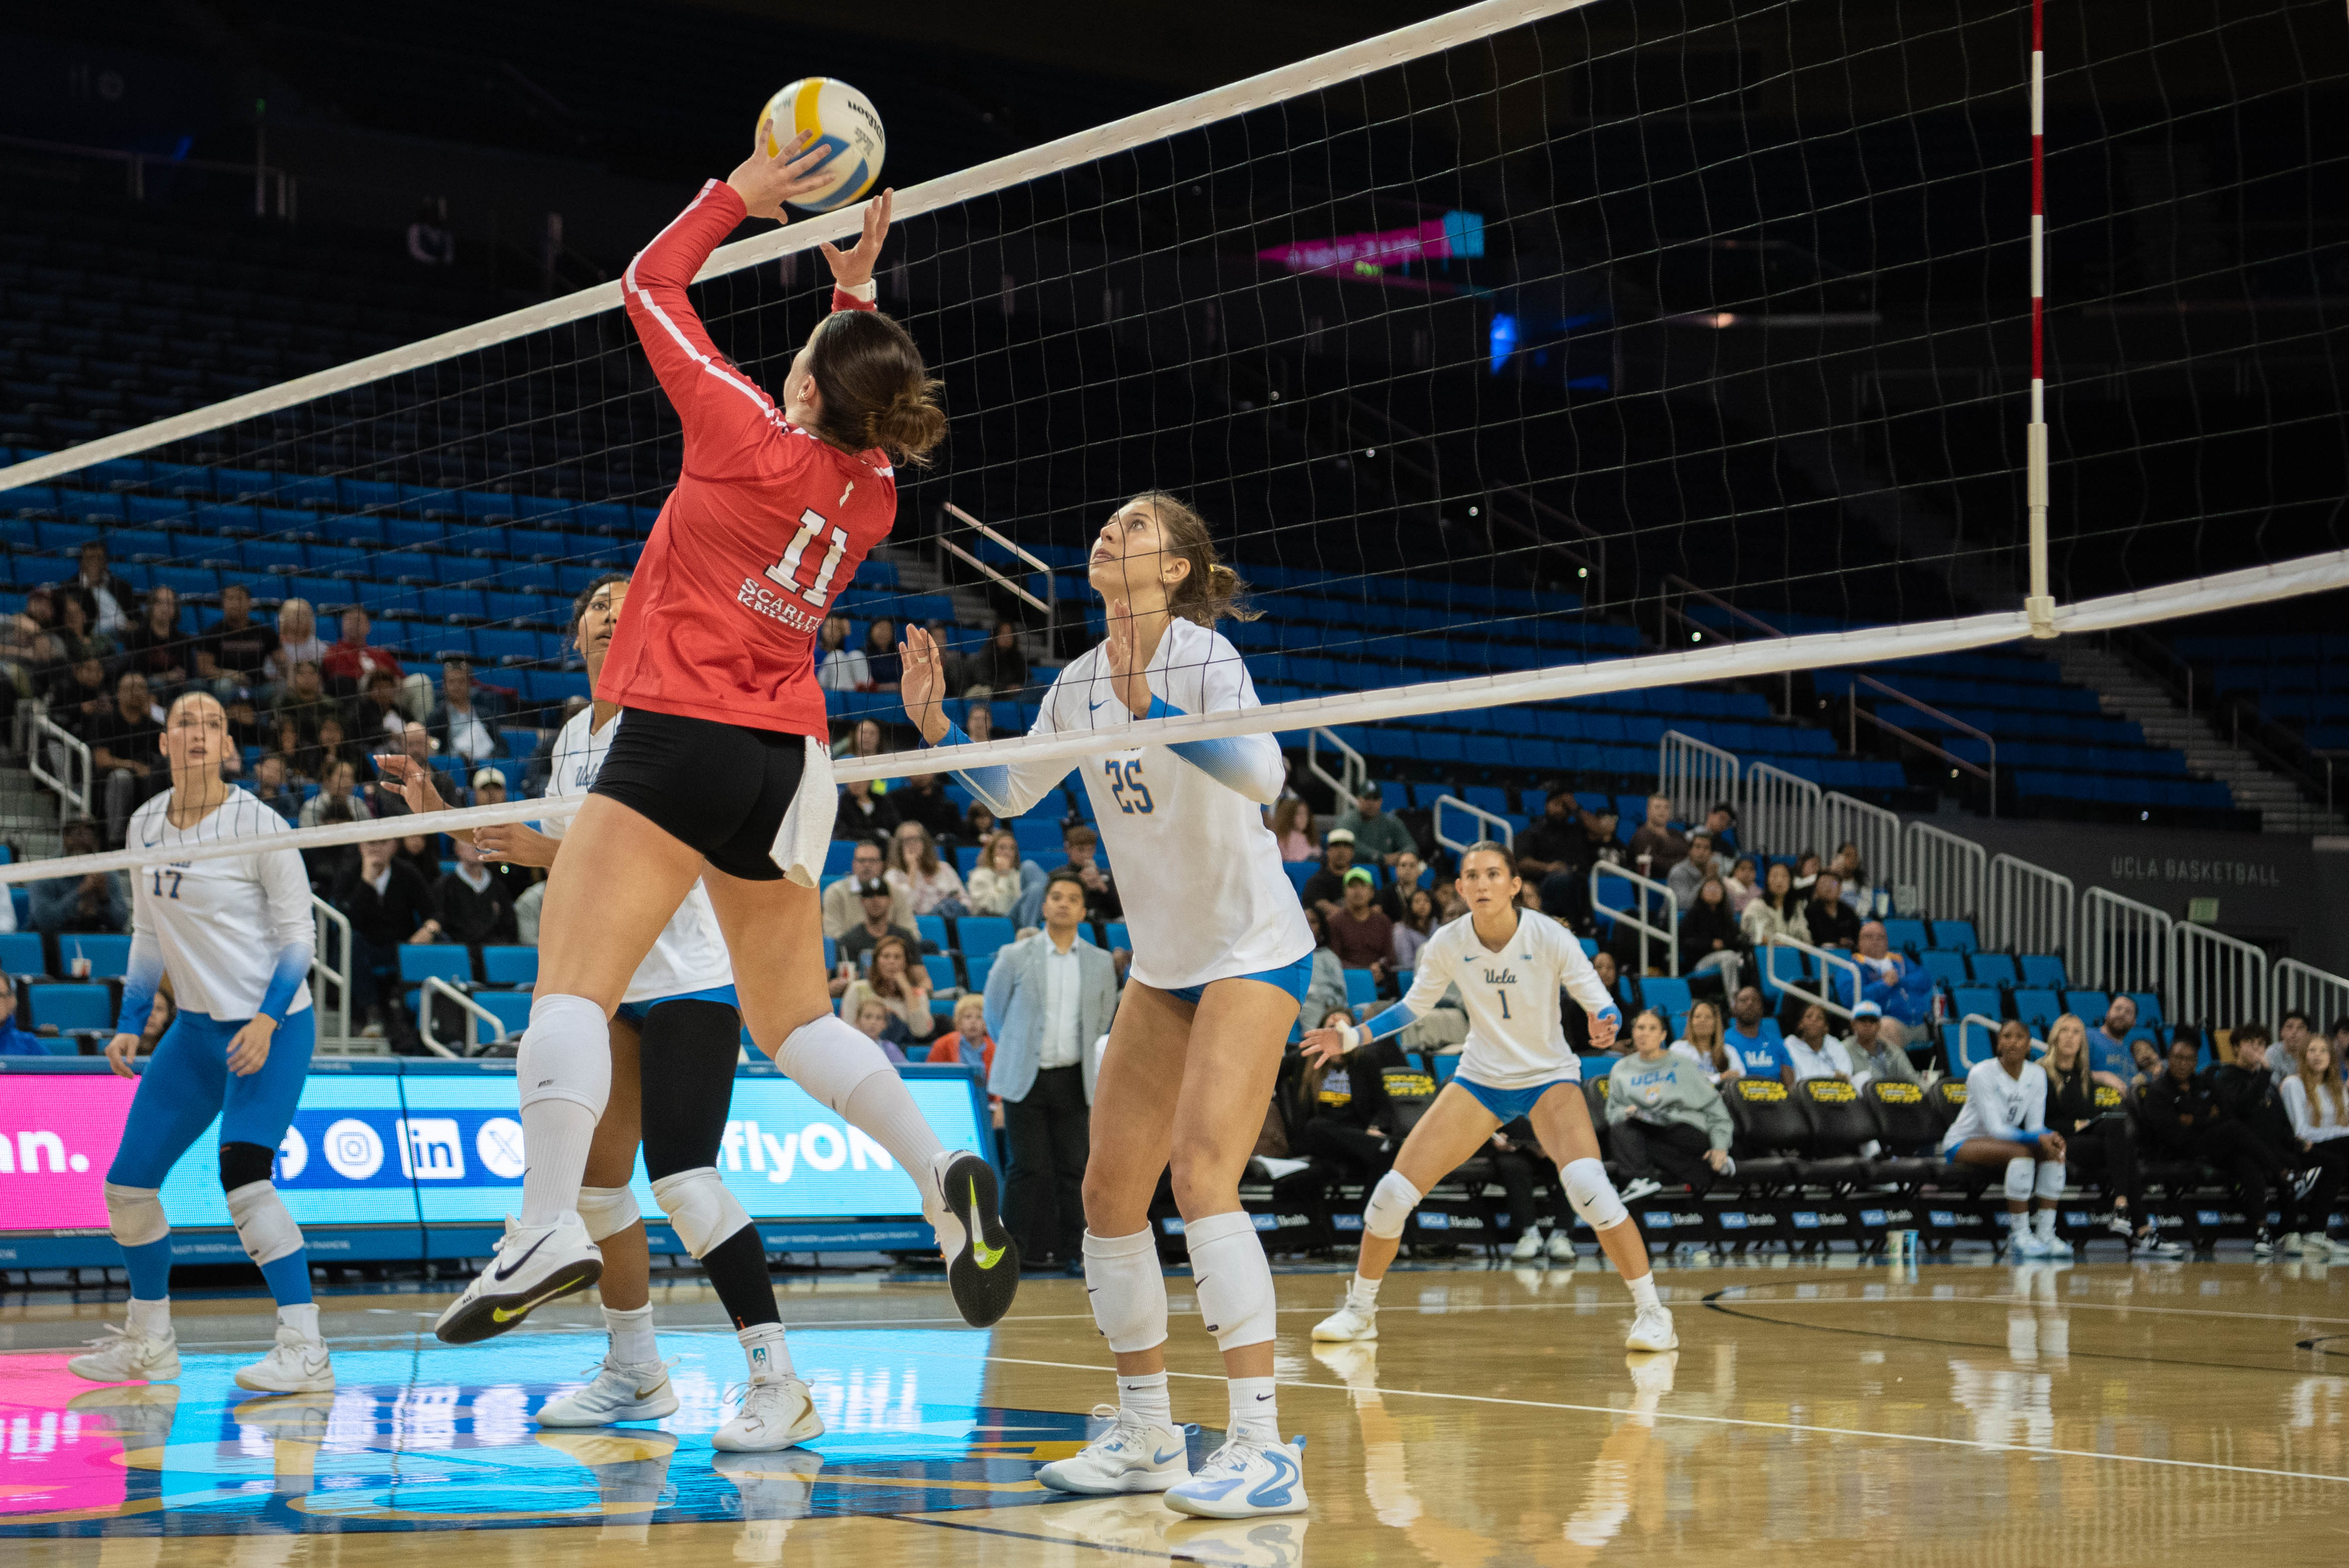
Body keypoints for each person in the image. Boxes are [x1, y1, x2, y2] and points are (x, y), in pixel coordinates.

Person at [420, 142, 1004, 1365]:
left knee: (570, 988)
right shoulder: (874, 493)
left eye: (797, 359)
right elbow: (860, 402)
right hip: (790, 762)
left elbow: (646, 282)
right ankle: (940, 1167)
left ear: (797, 391)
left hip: (683, 734)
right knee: (792, 1017)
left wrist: (743, 191)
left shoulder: (745, 433)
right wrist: (851, 295)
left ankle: (540, 1228)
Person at [904, 488, 1315, 1517]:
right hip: (1166, 964)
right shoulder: (1081, 681)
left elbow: (1264, 776)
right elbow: (1011, 791)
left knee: (1203, 1176)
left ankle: (1264, 1448)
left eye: (1137, 527)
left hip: (1253, 949)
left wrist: (1155, 709)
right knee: (1105, 1195)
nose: (1109, 533)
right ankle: (1145, 1431)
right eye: (1109, 522)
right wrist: (938, 727)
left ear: (1175, 568)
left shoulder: (1204, 657)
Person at [392, 570, 821, 1452]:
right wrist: (440, 814)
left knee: (684, 1177)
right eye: (595, 604)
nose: (609, 613)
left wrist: (545, 851)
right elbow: (556, 852)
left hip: (692, 976)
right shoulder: (572, 738)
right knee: (594, 1188)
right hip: (612, 983)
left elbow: (637, 855)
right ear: (576, 634)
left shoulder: (672, 716)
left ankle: (779, 1378)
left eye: (628, 604)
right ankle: (635, 1368)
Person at [1306, 842, 1668, 1354]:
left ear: (1514, 884)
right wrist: (1351, 1037)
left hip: (1547, 1078)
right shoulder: (1448, 940)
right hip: (1479, 1078)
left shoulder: (1548, 935)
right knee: (1391, 1195)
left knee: (1589, 1186)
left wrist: (1603, 1020)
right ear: (1458, 887)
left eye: (1492, 874)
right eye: (1470, 875)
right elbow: (1412, 1007)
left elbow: (1599, 1000)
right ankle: (1360, 1311)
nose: (1480, 883)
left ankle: (1653, 1314)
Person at [65, 692, 329, 1393]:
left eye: (214, 723)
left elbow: (301, 940)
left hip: (272, 1029)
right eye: (185, 721)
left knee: (245, 1177)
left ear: (228, 745)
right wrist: (130, 1019)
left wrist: (269, 1019)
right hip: (194, 1033)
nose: (200, 733)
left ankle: (305, 1348)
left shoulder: (260, 826)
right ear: (164, 743)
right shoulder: (145, 822)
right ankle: (150, 1342)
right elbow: (148, 934)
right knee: (126, 1187)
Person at [982, 870, 1117, 1269]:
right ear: (1044, 906)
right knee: (1026, 1168)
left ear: (1083, 910)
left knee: (1075, 1168)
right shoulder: (1015, 956)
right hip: (1027, 1076)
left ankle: (1078, 1252)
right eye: (1056, 896)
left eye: (1072, 898)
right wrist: (1017, 1049)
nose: (1062, 903)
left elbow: (1102, 1019)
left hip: (1075, 1077)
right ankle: (1016, 1252)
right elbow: (994, 1014)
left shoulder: (1100, 961)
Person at [2141, 1030, 2299, 1258]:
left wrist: (2192, 1119)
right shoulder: (2158, 1091)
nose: (2183, 1064)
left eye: (2189, 1059)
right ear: (2169, 1058)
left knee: (2245, 1160)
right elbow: (2173, 1135)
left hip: (2212, 1147)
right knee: (2235, 1131)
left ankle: (2262, 1231)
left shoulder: (2204, 1082)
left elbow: (2225, 1113)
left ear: (2196, 1061)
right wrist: (2206, 1116)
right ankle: (2286, 1174)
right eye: (2178, 1058)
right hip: (2179, 1152)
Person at [2041, 1012, 2179, 1256]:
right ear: (2054, 1036)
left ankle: (2124, 1208)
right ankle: (2140, 1228)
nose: (2071, 1037)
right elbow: (2039, 1121)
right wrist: (2075, 1125)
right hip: (2056, 1142)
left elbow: (2092, 1117)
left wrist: (2087, 1123)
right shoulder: (2040, 1072)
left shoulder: (2084, 1077)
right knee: (2123, 1150)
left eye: (2077, 1032)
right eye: (2065, 1030)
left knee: (2117, 1124)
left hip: (2085, 1143)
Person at [1941, 1017, 2071, 1259]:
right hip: (1963, 1143)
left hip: (2003, 1144)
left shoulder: (2037, 1074)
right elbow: (1996, 1130)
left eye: (2019, 1037)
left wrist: (2050, 1137)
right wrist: (2037, 1138)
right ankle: (2019, 1236)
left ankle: (2046, 1234)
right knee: (2022, 1154)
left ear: (2029, 1045)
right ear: (1998, 1044)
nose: (2012, 1042)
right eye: (2006, 1037)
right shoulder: (1981, 1073)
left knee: (2054, 1153)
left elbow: (2034, 1126)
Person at [1606, 1008, 1735, 1201]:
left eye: (1652, 1028)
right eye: (1640, 1028)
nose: (1645, 1033)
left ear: (1663, 1035)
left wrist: (1720, 1146)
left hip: (1685, 1129)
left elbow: (1715, 1108)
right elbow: (1612, 1112)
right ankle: (1645, 1181)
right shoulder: (1621, 1069)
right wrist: (1627, 1111)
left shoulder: (1682, 1065)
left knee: (1639, 1143)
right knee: (1623, 1132)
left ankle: (1645, 1179)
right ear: (1633, 1034)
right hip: (1645, 1129)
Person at [331, 835, 435, 1037]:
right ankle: (371, 1012)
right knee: (350, 941)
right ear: (361, 846)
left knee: (435, 944)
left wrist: (429, 929)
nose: (376, 848)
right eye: (371, 842)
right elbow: (346, 921)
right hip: (364, 948)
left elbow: (433, 912)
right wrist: (367, 882)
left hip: (400, 944)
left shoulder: (407, 872)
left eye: (382, 843)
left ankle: (425, 1020)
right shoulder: (349, 874)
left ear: (394, 846)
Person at [2281, 1035, 2346, 1257]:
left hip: (2332, 1152)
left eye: (2324, 1051)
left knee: (2338, 1163)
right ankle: (2315, 1231)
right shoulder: (2294, 1084)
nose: (2318, 1056)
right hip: (2300, 1151)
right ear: (2304, 1056)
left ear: (2332, 1057)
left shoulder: (2337, 1089)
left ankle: (2315, 1232)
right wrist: (2344, 1134)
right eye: (2312, 1050)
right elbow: (2301, 1132)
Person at [88, 671, 167, 847]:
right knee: (122, 777)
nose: (137, 693)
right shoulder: (106, 721)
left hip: (146, 781)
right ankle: (115, 842)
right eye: (131, 688)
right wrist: (132, 766)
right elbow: (102, 760)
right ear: (119, 694)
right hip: (110, 783)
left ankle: (156, 840)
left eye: (141, 688)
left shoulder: (154, 727)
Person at [29, 818, 130, 935]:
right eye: (75, 835)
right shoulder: (46, 871)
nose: (80, 841)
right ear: (65, 838)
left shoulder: (106, 872)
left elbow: (121, 922)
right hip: (53, 943)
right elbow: (45, 921)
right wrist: (80, 893)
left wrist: (104, 898)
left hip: (95, 941)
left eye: (86, 835)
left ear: (96, 841)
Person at [837, 931, 935, 1044]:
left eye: (897, 957)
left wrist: (907, 990)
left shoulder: (918, 994)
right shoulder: (857, 988)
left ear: (905, 963)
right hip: (863, 1047)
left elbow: (921, 1032)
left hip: (899, 1053)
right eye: (886, 956)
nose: (892, 961)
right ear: (876, 961)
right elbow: (848, 1028)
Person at [1852, 921, 1932, 1046]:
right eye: (1869, 937)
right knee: (1885, 1026)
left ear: (1887, 941)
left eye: (1880, 937)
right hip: (1889, 1022)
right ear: (1859, 942)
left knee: (1949, 1028)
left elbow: (1925, 980)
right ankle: (1896, 1066)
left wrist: (1899, 980)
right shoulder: (1853, 968)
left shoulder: (1900, 961)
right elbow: (1852, 998)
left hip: (1919, 1022)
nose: (1875, 941)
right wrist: (1884, 985)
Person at [196, 582, 279, 698]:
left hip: (259, 687)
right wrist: (231, 675)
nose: (234, 604)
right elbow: (204, 669)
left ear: (249, 603)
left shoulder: (265, 632)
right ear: (223, 604)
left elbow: (281, 660)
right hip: (228, 684)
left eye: (239, 599)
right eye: (230, 599)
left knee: (282, 687)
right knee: (223, 685)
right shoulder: (211, 633)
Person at [834, 878, 928, 978]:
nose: (876, 901)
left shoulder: (905, 937)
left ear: (891, 900)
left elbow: (922, 980)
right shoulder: (849, 941)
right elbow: (847, 980)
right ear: (862, 901)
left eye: (881, 895)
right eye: (869, 896)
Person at [431, 838, 517, 946]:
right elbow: (439, 920)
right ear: (457, 849)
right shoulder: (445, 886)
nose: (475, 846)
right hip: (459, 952)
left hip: (493, 953)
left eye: (479, 841)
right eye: (469, 841)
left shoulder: (499, 887)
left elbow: (510, 928)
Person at [822, 839, 914, 938]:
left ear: (881, 865)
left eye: (872, 861)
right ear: (854, 865)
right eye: (861, 861)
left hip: (890, 950)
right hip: (851, 950)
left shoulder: (896, 893)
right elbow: (832, 934)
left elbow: (911, 933)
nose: (867, 865)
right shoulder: (835, 892)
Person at [427, 658, 506, 766]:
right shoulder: (437, 716)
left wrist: (490, 759)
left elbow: (501, 748)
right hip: (451, 768)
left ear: (470, 684)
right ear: (444, 686)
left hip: (484, 766)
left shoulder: (484, 715)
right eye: (452, 682)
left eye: (461, 681)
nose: (457, 686)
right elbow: (432, 748)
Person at [119, 585, 192, 698]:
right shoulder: (137, 638)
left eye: (169, 603)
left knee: (197, 686)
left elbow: (188, 673)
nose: (165, 608)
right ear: (151, 606)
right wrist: (166, 676)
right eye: (160, 603)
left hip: (179, 689)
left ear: (175, 609)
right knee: (156, 686)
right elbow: (137, 675)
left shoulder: (184, 640)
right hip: (148, 690)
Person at [886, 820, 967, 917]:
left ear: (925, 842)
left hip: (949, 921)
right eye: (907, 840)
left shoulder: (944, 868)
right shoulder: (893, 875)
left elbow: (965, 900)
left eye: (916, 839)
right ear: (899, 846)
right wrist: (913, 869)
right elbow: (903, 908)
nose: (912, 844)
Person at [1677, 875, 1740, 992]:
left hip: (1724, 957)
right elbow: (1685, 942)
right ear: (1701, 893)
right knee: (1730, 957)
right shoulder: (1693, 914)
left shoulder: (1726, 917)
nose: (1713, 892)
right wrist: (1710, 944)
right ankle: (1734, 1002)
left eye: (1717, 889)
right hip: (1700, 961)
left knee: (1745, 959)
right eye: (1709, 888)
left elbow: (1733, 940)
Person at [321, 608, 405, 694]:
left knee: (416, 680)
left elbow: (401, 678)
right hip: (358, 697)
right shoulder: (334, 653)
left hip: (391, 693)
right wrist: (376, 675)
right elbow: (341, 680)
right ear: (342, 625)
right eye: (350, 620)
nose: (355, 624)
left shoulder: (381, 653)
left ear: (369, 627)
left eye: (359, 621)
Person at [1330, 782, 1414, 868]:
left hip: (1386, 871)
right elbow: (1349, 845)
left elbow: (1411, 846)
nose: (1371, 803)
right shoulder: (1348, 819)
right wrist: (1381, 857)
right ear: (1359, 799)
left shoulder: (1391, 821)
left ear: (1381, 801)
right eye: (1367, 798)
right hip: (1353, 869)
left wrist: (1400, 856)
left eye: (1375, 799)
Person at [1841, 1000, 1920, 1088]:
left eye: (1873, 1021)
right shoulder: (1843, 1049)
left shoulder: (1893, 1051)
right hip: (1855, 1098)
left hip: (1888, 1098)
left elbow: (1913, 1079)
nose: (1868, 1025)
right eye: (1863, 1020)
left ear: (1879, 1025)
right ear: (1853, 1024)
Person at [1327, 867, 1394, 970]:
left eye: (1363, 886)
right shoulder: (1334, 922)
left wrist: (1380, 966)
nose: (1357, 891)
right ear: (1345, 892)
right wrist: (1363, 973)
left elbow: (1390, 957)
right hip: (1347, 978)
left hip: (1380, 979)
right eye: (1352, 886)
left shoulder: (1384, 921)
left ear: (1372, 893)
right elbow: (1334, 959)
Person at [1722, 985, 1792, 1083]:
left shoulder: (1777, 1043)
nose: (1750, 1004)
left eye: (1755, 1000)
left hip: (1777, 1096)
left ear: (1762, 1009)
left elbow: (1790, 1086)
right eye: (1744, 1000)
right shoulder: (1724, 1041)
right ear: (1734, 1008)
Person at [73, 540, 138, 638]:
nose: (95, 563)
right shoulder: (71, 588)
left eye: (99, 558)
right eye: (90, 558)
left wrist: (135, 625)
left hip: (127, 637)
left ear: (106, 562)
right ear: (81, 562)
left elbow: (137, 616)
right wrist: (89, 586)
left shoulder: (122, 586)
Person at [1738, 861, 1807, 953]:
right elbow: (1756, 937)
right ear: (1767, 881)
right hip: (1765, 955)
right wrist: (1782, 945)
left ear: (1791, 881)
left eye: (1784, 876)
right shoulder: (1757, 906)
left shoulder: (1796, 908)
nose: (1779, 881)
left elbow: (1804, 937)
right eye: (1774, 876)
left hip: (1795, 954)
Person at [268, 599, 329, 693]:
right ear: (283, 618)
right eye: (293, 614)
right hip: (279, 687)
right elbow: (269, 673)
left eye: (303, 615)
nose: (298, 618)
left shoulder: (319, 647)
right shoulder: (274, 645)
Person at [1672, 997, 1739, 1083]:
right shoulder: (1678, 1049)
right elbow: (1681, 1081)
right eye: (1697, 1017)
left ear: (1716, 1023)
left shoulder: (1729, 1051)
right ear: (1691, 1022)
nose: (1702, 1020)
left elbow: (1739, 1077)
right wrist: (1720, 1078)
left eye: (1708, 1017)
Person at [270, 661, 339, 743]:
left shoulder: (330, 705)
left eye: (312, 673)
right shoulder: (284, 703)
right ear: (295, 677)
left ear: (319, 677)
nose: (307, 677)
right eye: (302, 673)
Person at [963, 830, 1027, 917]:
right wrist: (1003, 876)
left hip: (1018, 919)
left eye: (1012, 849)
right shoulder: (980, 876)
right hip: (992, 921)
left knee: (1032, 875)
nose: (1007, 853)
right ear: (991, 852)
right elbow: (999, 910)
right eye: (1002, 848)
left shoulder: (1018, 875)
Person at [1300, 827, 1360, 920]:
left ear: (1353, 852)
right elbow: (1322, 907)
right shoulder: (1315, 882)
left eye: (1346, 846)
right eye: (1336, 846)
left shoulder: (1361, 879)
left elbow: (1376, 908)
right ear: (1328, 851)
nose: (1341, 851)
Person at [1783, 1002, 1852, 1082]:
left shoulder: (1834, 1044)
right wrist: (1832, 1075)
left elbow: (1845, 1076)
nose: (1814, 1021)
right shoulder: (1791, 1045)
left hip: (1833, 1091)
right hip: (1802, 1092)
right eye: (1809, 1017)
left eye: (1819, 1018)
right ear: (1801, 1024)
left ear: (1826, 1027)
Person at [297, 758, 374, 829]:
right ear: (328, 780)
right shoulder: (312, 807)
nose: (348, 781)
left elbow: (371, 831)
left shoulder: (359, 804)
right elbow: (309, 839)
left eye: (351, 777)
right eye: (342, 776)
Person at [1302, 906, 1348, 1023]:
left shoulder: (1329, 957)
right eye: (1304, 921)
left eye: (1313, 922)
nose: (1308, 926)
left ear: (1322, 927)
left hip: (1325, 1005)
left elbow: (1341, 992)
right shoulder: (1286, 957)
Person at [1626, 794, 1687, 880]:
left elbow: (1690, 855)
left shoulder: (1676, 834)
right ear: (1648, 811)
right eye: (1658, 807)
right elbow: (1654, 864)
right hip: (1654, 885)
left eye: (1666, 808)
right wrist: (1684, 865)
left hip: (1681, 880)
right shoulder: (1642, 836)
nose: (1662, 811)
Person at [964, 619, 1028, 695]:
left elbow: (1025, 678)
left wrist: (1018, 687)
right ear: (995, 635)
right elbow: (984, 681)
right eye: (1004, 633)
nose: (1007, 637)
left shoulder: (1017, 658)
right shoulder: (985, 656)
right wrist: (1006, 689)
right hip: (994, 695)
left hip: (1016, 695)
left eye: (1010, 633)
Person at [1802, 872, 1860, 949]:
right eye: (1823, 883)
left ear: (1840, 888)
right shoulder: (1809, 912)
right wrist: (1837, 942)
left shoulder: (1849, 912)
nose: (1828, 887)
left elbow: (1857, 937)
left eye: (1833, 884)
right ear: (1816, 888)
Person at [813, 614, 869, 692]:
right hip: (820, 685)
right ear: (822, 629)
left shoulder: (845, 650)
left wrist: (847, 636)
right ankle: (844, 698)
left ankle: (866, 692)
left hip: (850, 685)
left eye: (837, 628)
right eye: (829, 627)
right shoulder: (815, 650)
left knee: (857, 655)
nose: (832, 631)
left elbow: (853, 656)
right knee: (837, 656)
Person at [1391, 883, 1439, 970]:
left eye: (1427, 901)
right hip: (1411, 975)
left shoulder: (1437, 926)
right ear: (1410, 906)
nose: (1422, 904)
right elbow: (1406, 963)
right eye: (1417, 901)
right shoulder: (1401, 930)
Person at [835, 775, 900, 840]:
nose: (855, 784)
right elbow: (842, 830)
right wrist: (874, 834)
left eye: (859, 781)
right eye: (851, 781)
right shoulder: (844, 802)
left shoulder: (881, 801)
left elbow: (894, 824)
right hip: (856, 843)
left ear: (869, 782)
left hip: (884, 843)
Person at [1665, 831, 1715, 911]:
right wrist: (1706, 879)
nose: (1702, 852)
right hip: (1676, 920)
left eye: (1706, 848)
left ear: (1712, 854)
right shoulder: (1678, 872)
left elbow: (1727, 904)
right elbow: (1684, 905)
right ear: (1690, 851)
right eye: (1698, 847)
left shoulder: (1713, 871)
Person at [1270, 797, 1317, 862]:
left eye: (1306, 814)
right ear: (1289, 816)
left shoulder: (1308, 838)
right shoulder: (1289, 838)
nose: (1303, 818)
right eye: (1299, 814)